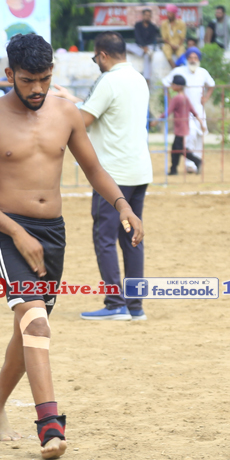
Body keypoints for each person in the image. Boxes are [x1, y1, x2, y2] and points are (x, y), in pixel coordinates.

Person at [0, 33, 144, 459]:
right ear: (9, 74)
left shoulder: (66, 113)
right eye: (28, 80)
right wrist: (17, 233)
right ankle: (50, 427)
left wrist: (123, 206)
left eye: (44, 79)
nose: (37, 88)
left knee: (28, 330)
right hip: (8, 230)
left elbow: (94, 168)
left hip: (53, 234)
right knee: (36, 323)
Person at [77, 31, 153, 322]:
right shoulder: (138, 79)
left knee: (105, 238)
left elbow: (83, 120)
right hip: (138, 170)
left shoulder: (108, 80)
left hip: (112, 175)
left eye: (95, 58)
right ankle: (135, 305)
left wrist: (63, 108)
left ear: (103, 55)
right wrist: (74, 102)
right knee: (132, 236)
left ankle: (114, 303)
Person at [161, 46, 214, 174]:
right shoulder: (179, 71)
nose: (193, 60)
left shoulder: (203, 72)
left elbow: (211, 85)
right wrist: (170, 100)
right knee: (190, 135)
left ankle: (197, 162)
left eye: (195, 57)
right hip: (185, 112)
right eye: (190, 57)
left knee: (199, 136)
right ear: (186, 59)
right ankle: (190, 164)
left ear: (198, 59)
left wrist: (206, 98)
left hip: (198, 110)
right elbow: (165, 83)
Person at [166, 74, 204, 175]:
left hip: (179, 129)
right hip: (184, 128)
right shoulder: (185, 98)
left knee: (179, 149)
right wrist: (201, 123)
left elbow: (168, 111)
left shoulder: (176, 98)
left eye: (173, 84)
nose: (172, 86)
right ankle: (173, 169)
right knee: (175, 149)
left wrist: (156, 120)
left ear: (178, 86)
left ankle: (197, 160)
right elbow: (194, 112)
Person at [130, 8, 159, 81]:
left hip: (148, 46)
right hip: (139, 46)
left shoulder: (153, 27)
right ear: (143, 16)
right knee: (125, 46)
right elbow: (138, 37)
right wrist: (143, 46)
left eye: (149, 15)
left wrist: (146, 47)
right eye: (146, 15)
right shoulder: (138, 25)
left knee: (147, 56)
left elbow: (152, 39)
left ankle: (147, 78)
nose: (147, 17)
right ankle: (142, 51)